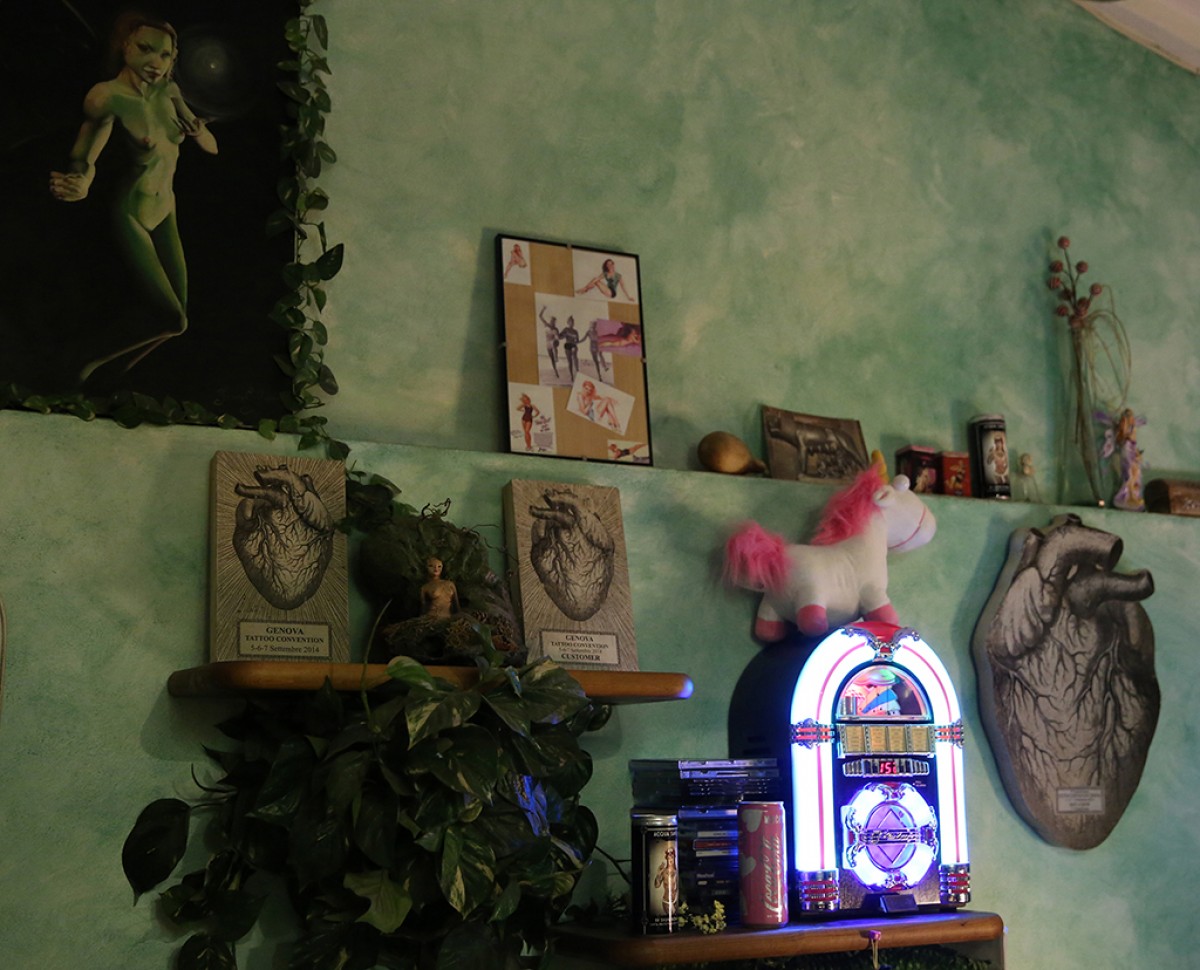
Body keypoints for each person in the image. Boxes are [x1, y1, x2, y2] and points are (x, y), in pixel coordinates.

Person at [49, 14, 218, 382]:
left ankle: (108, 380)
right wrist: (82, 180)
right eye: (145, 49)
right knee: (170, 317)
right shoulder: (107, 96)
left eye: (165, 55)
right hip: (132, 213)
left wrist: (200, 134)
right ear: (125, 46)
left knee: (177, 323)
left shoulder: (169, 91)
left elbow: (210, 145)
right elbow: (84, 154)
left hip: (166, 210)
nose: (156, 63)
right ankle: (78, 365)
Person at [538, 306, 560, 377]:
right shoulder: (546, 325)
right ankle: (555, 371)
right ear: (550, 321)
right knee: (551, 359)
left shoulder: (555, 329)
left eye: (553, 321)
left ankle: (556, 356)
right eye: (551, 321)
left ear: (555, 322)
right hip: (548, 344)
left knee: (553, 343)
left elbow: (558, 338)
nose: (552, 322)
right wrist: (543, 309)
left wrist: (556, 336)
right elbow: (540, 316)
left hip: (554, 342)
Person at [560, 317, 581, 381]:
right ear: (568, 322)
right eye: (571, 322)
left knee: (575, 359)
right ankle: (571, 376)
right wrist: (564, 335)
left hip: (573, 345)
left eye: (573, 322)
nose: (572, 323)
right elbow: (560, 337)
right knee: (570, 361)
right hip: (567, 345)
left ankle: (577, 372)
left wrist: (576, 340)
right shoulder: (566, 329)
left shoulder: (575, 331)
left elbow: (577, 341)